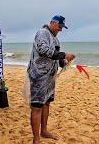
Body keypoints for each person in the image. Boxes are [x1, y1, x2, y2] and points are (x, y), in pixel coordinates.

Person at [27, 15, 75, 144]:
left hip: (50, 77)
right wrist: (64, 54)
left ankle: (44, 131)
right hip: (39, 76)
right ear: (52, 23)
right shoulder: (42, 33)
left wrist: (64, 62)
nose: (60, 29)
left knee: (47, 103)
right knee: (37, 107)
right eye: (59, 26)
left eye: (62, 27)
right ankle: (36, 139)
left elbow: (56, 58)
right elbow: (43, 51)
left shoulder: (55, 39)